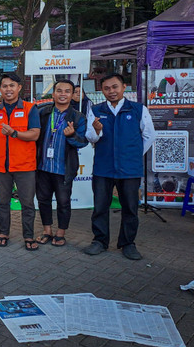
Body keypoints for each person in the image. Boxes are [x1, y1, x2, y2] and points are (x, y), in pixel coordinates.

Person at [84, 73, 156, 260]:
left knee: (130, 208)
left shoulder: (138, 109)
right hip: (103, 168)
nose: (111, 91)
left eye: (115, 87)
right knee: (100, 207)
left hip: (129, 169)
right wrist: (97, 131)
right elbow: (90, 137)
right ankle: (100, 241)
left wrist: (132, 155)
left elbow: (149, 136)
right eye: (107, 88)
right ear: (102, 91)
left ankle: (128, 243)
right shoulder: (96, 109)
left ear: (124, 87)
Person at [0, 72, 41, 251]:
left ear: (19, 88)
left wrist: (14, 133)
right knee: (2, 202)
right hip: (1, 166)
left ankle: (28, 236)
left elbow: (35, 134)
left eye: (12, 85)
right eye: (4, 86)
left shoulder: (29, 108)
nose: (8, 89)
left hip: (25, 166)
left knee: (27, 203)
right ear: (0, 89)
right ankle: (3, 233)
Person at [35, 80, 88, 247]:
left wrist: (71, 135)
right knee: (43, 200)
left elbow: (83, 142)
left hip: (63, 169)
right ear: (54, 94)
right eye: (59, 90)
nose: (62, 94)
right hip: (42, 167)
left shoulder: (78, 117)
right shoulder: (42, 113)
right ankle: (47, 231)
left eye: (67, 91)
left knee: (63, 202)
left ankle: (60, 233)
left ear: (72, 95)